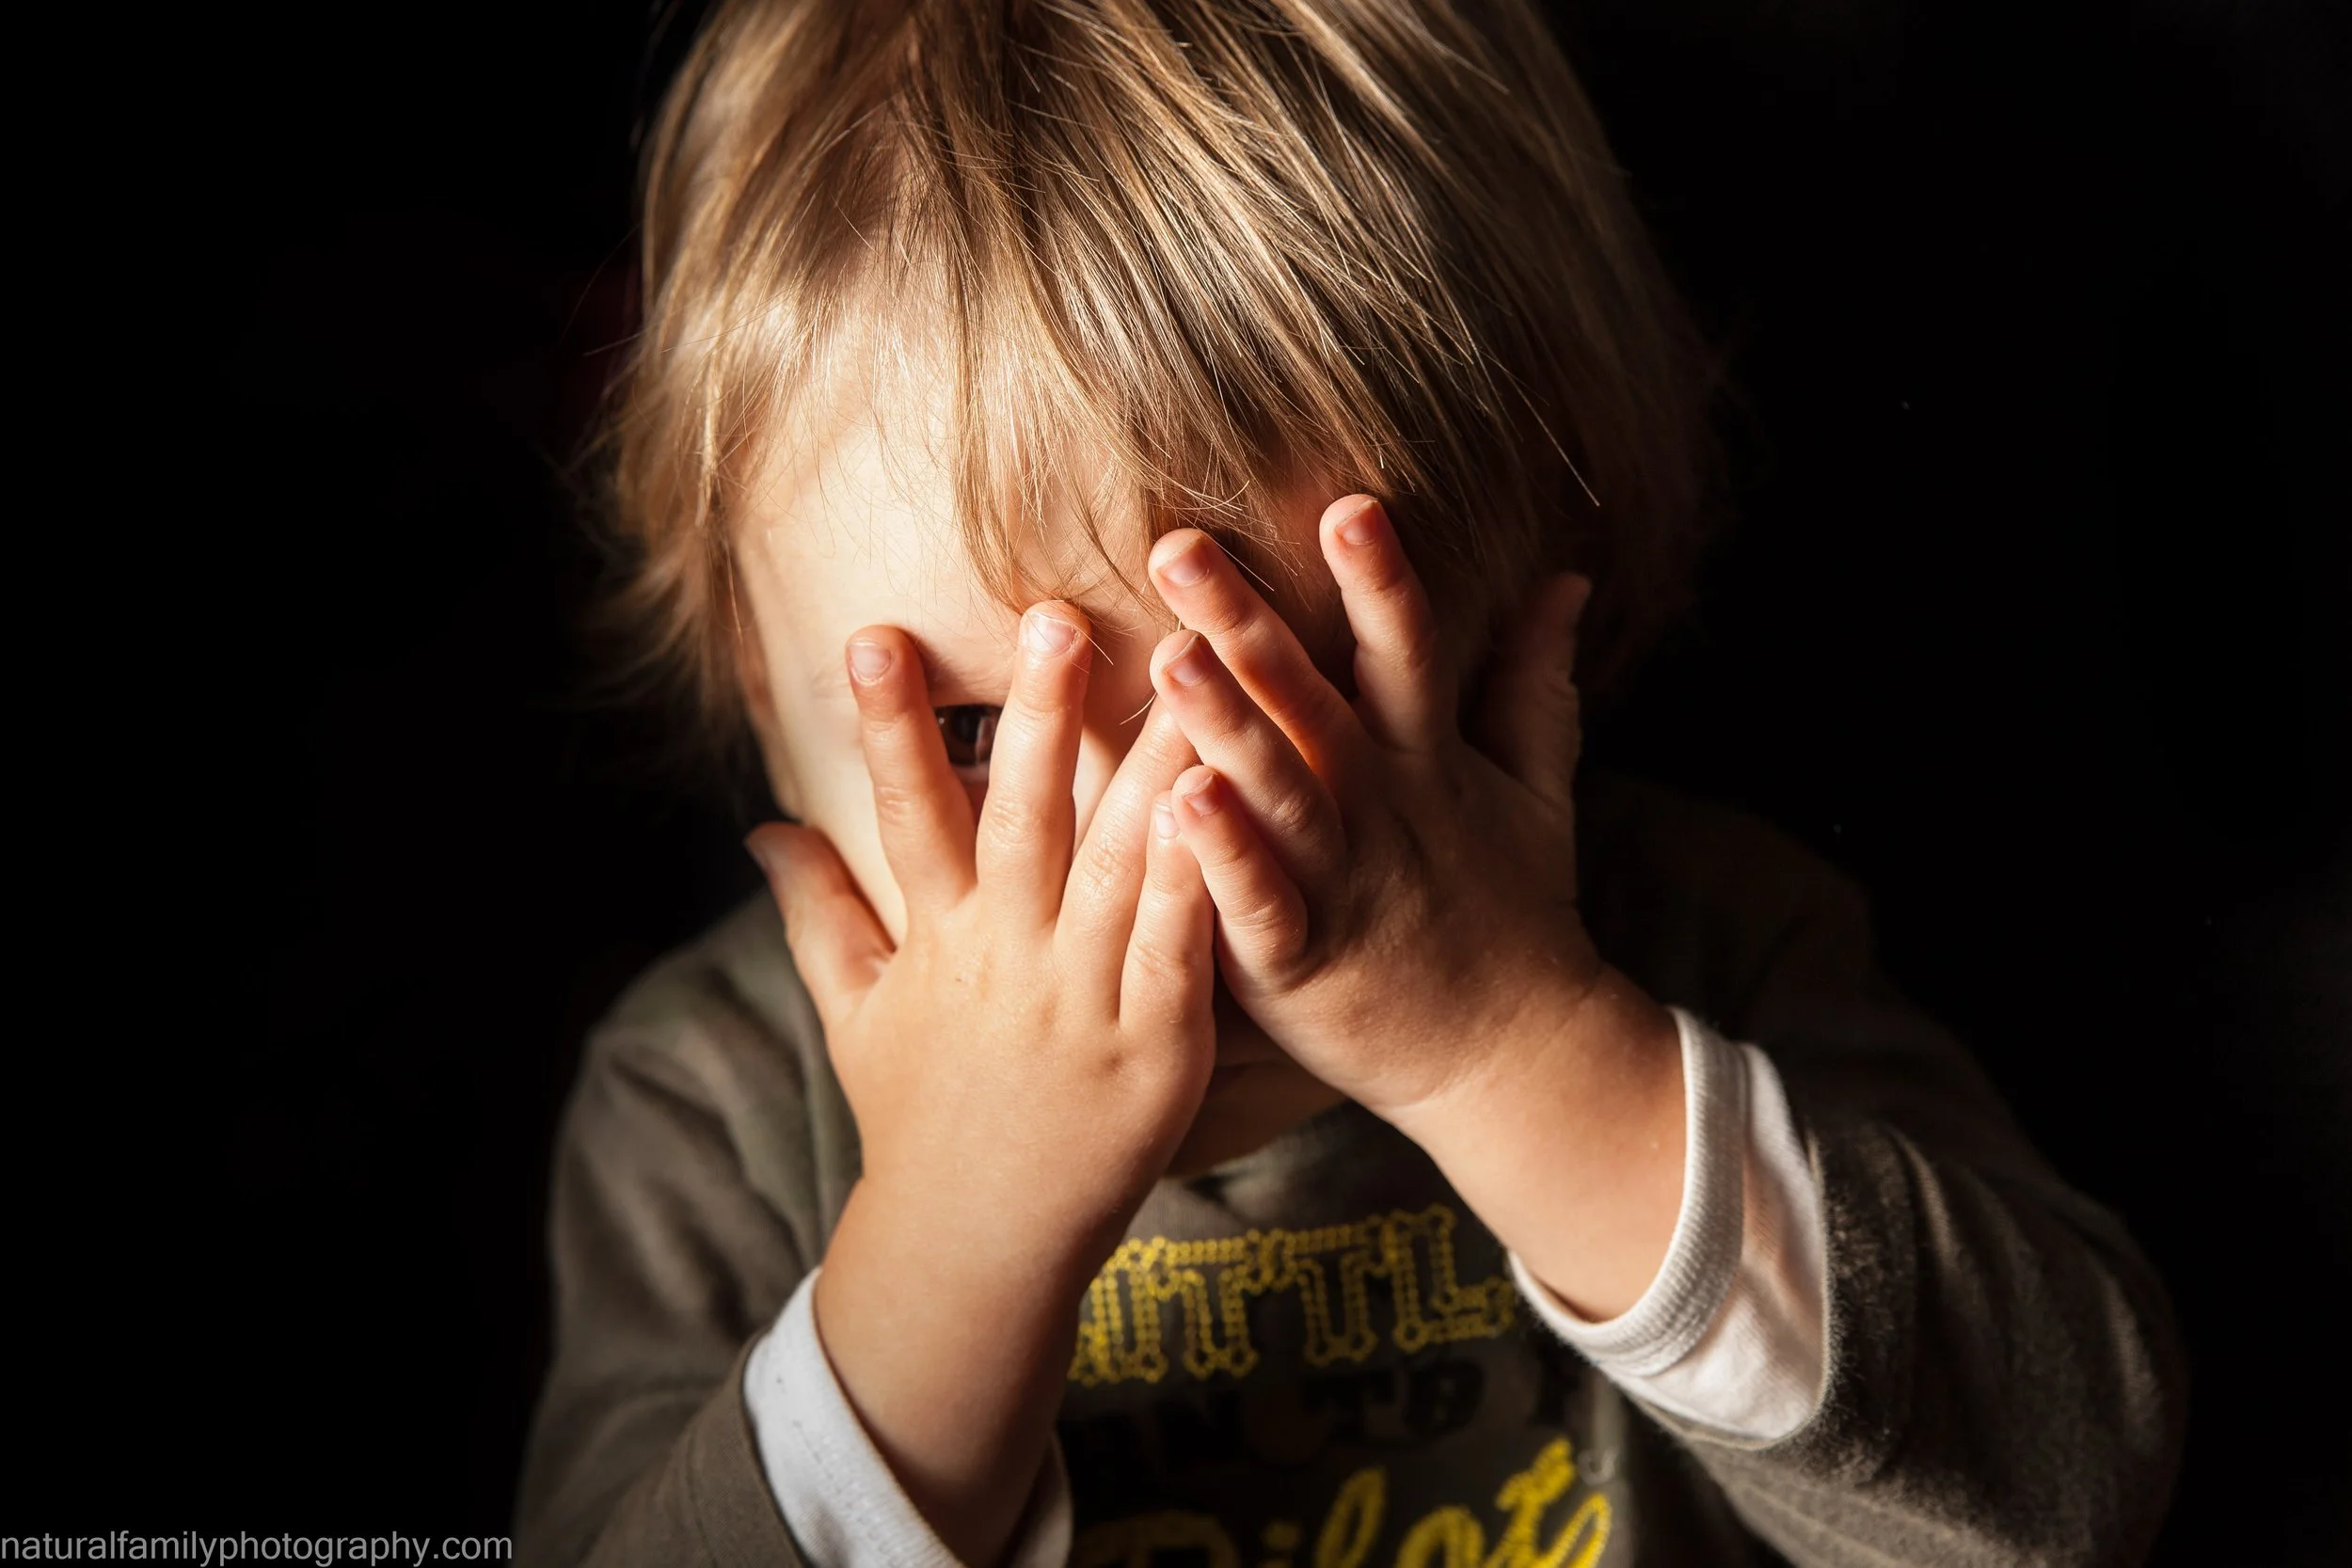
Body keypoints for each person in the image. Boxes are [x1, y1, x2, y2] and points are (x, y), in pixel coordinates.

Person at [515, 1, 2185, 1562]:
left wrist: (1514, 1044)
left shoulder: (1700, 937)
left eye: (1272, 694)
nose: (1158, 857)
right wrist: (954, 1237)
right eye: (978, 738)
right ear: (754, 663)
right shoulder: (714, 1107)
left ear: (1543, 600)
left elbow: (2066, 1490)